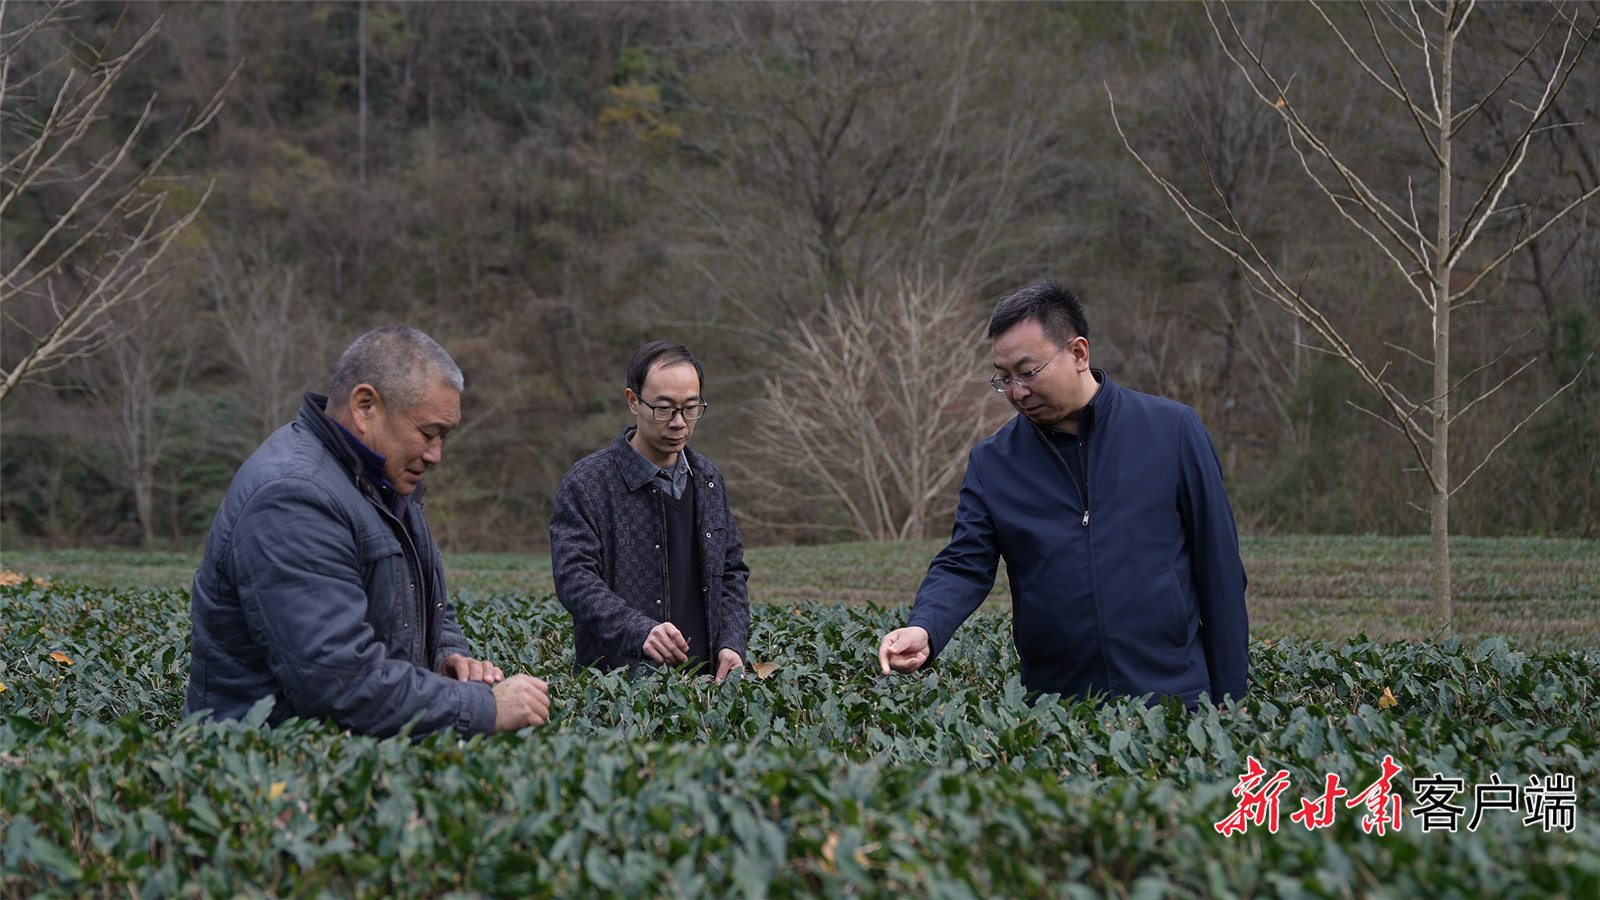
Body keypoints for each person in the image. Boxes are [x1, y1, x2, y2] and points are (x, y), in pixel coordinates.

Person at [877, 281, 1249, 706]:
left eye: (1028, 372)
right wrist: (925, 627)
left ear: (1078, 354)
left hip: (1175, 701)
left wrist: (1230, 701)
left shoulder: (1174, 430)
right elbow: (964, 565)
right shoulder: (993, 462)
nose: (1017, 391)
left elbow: (1219, 571)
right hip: (1058, 714)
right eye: (1004, 379)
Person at [186, 326, 551, 737]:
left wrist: (447, 656)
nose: (436, 455)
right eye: (428, 433)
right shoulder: (294, 497)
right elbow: (337, 681)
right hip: (272, 773)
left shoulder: (382, 483)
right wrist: (483, 707)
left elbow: (427, 606)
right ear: (364, 407)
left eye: (444, 437)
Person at [550, 341, 750, 679]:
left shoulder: (709, 479)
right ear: (633, 401)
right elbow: (575, 579)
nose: (678, 423)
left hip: (707, 689)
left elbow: (730, 572)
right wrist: (638, 630)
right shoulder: (587, 483)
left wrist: (731, 643)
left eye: (690, 408)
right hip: (618, 695)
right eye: (664, 409)